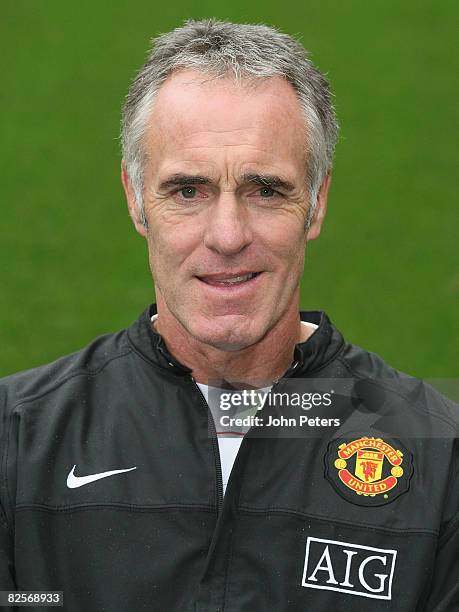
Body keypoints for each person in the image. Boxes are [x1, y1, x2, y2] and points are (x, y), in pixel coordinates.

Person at [0, 18, 457, 612]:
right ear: (136, 199)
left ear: (316, 202)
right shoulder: (17, 440)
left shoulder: (441, 460)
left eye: (265, 190)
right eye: (187, 190)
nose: (227, 235)